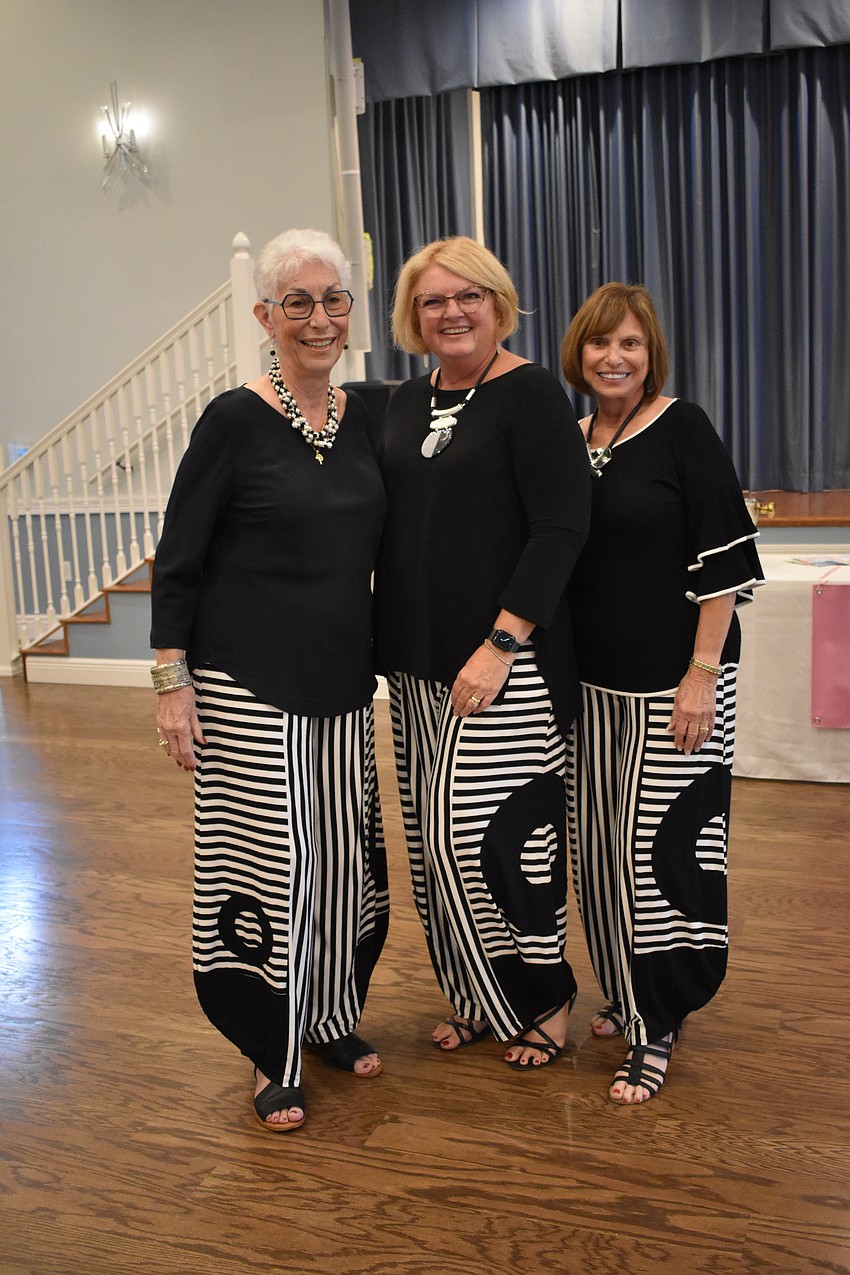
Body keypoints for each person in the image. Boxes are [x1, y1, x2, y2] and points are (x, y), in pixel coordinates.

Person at [149, 228, 389, 1132]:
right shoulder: (234, 420)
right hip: (247, 685)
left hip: (339, 687)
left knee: (336, 863)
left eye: (334, 300)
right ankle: (268, 1047)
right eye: (299, 302)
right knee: (271, 868)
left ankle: (325, 1017)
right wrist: (172, 684)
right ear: (265, 316)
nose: (320, 318)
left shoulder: (363, 415)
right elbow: (178, 560)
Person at [374, 236, 591, 1070]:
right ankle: (475, 993)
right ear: (412, 316)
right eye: (433, 300)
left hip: (506, 662)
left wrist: (503, 641)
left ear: (499, 303)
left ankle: (543, 995)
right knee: (435, 844)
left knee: (502, 836)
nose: (451, 312)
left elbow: (561, 529)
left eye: (469, 296)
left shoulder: (532, 394)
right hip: (420, 664)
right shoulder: (400, 403)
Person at [560, 282, 764, 1104]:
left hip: (675, 685)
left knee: (665, 856)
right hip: (591, 691)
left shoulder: (684, 428)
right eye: (601, 344)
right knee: (604, 854)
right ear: (578, 353)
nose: (615, 358)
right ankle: (629, 987)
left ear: (652, 356)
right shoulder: (571, 440)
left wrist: (700, 676)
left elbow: (723, 565)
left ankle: (659, 1021)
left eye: (631, 345)